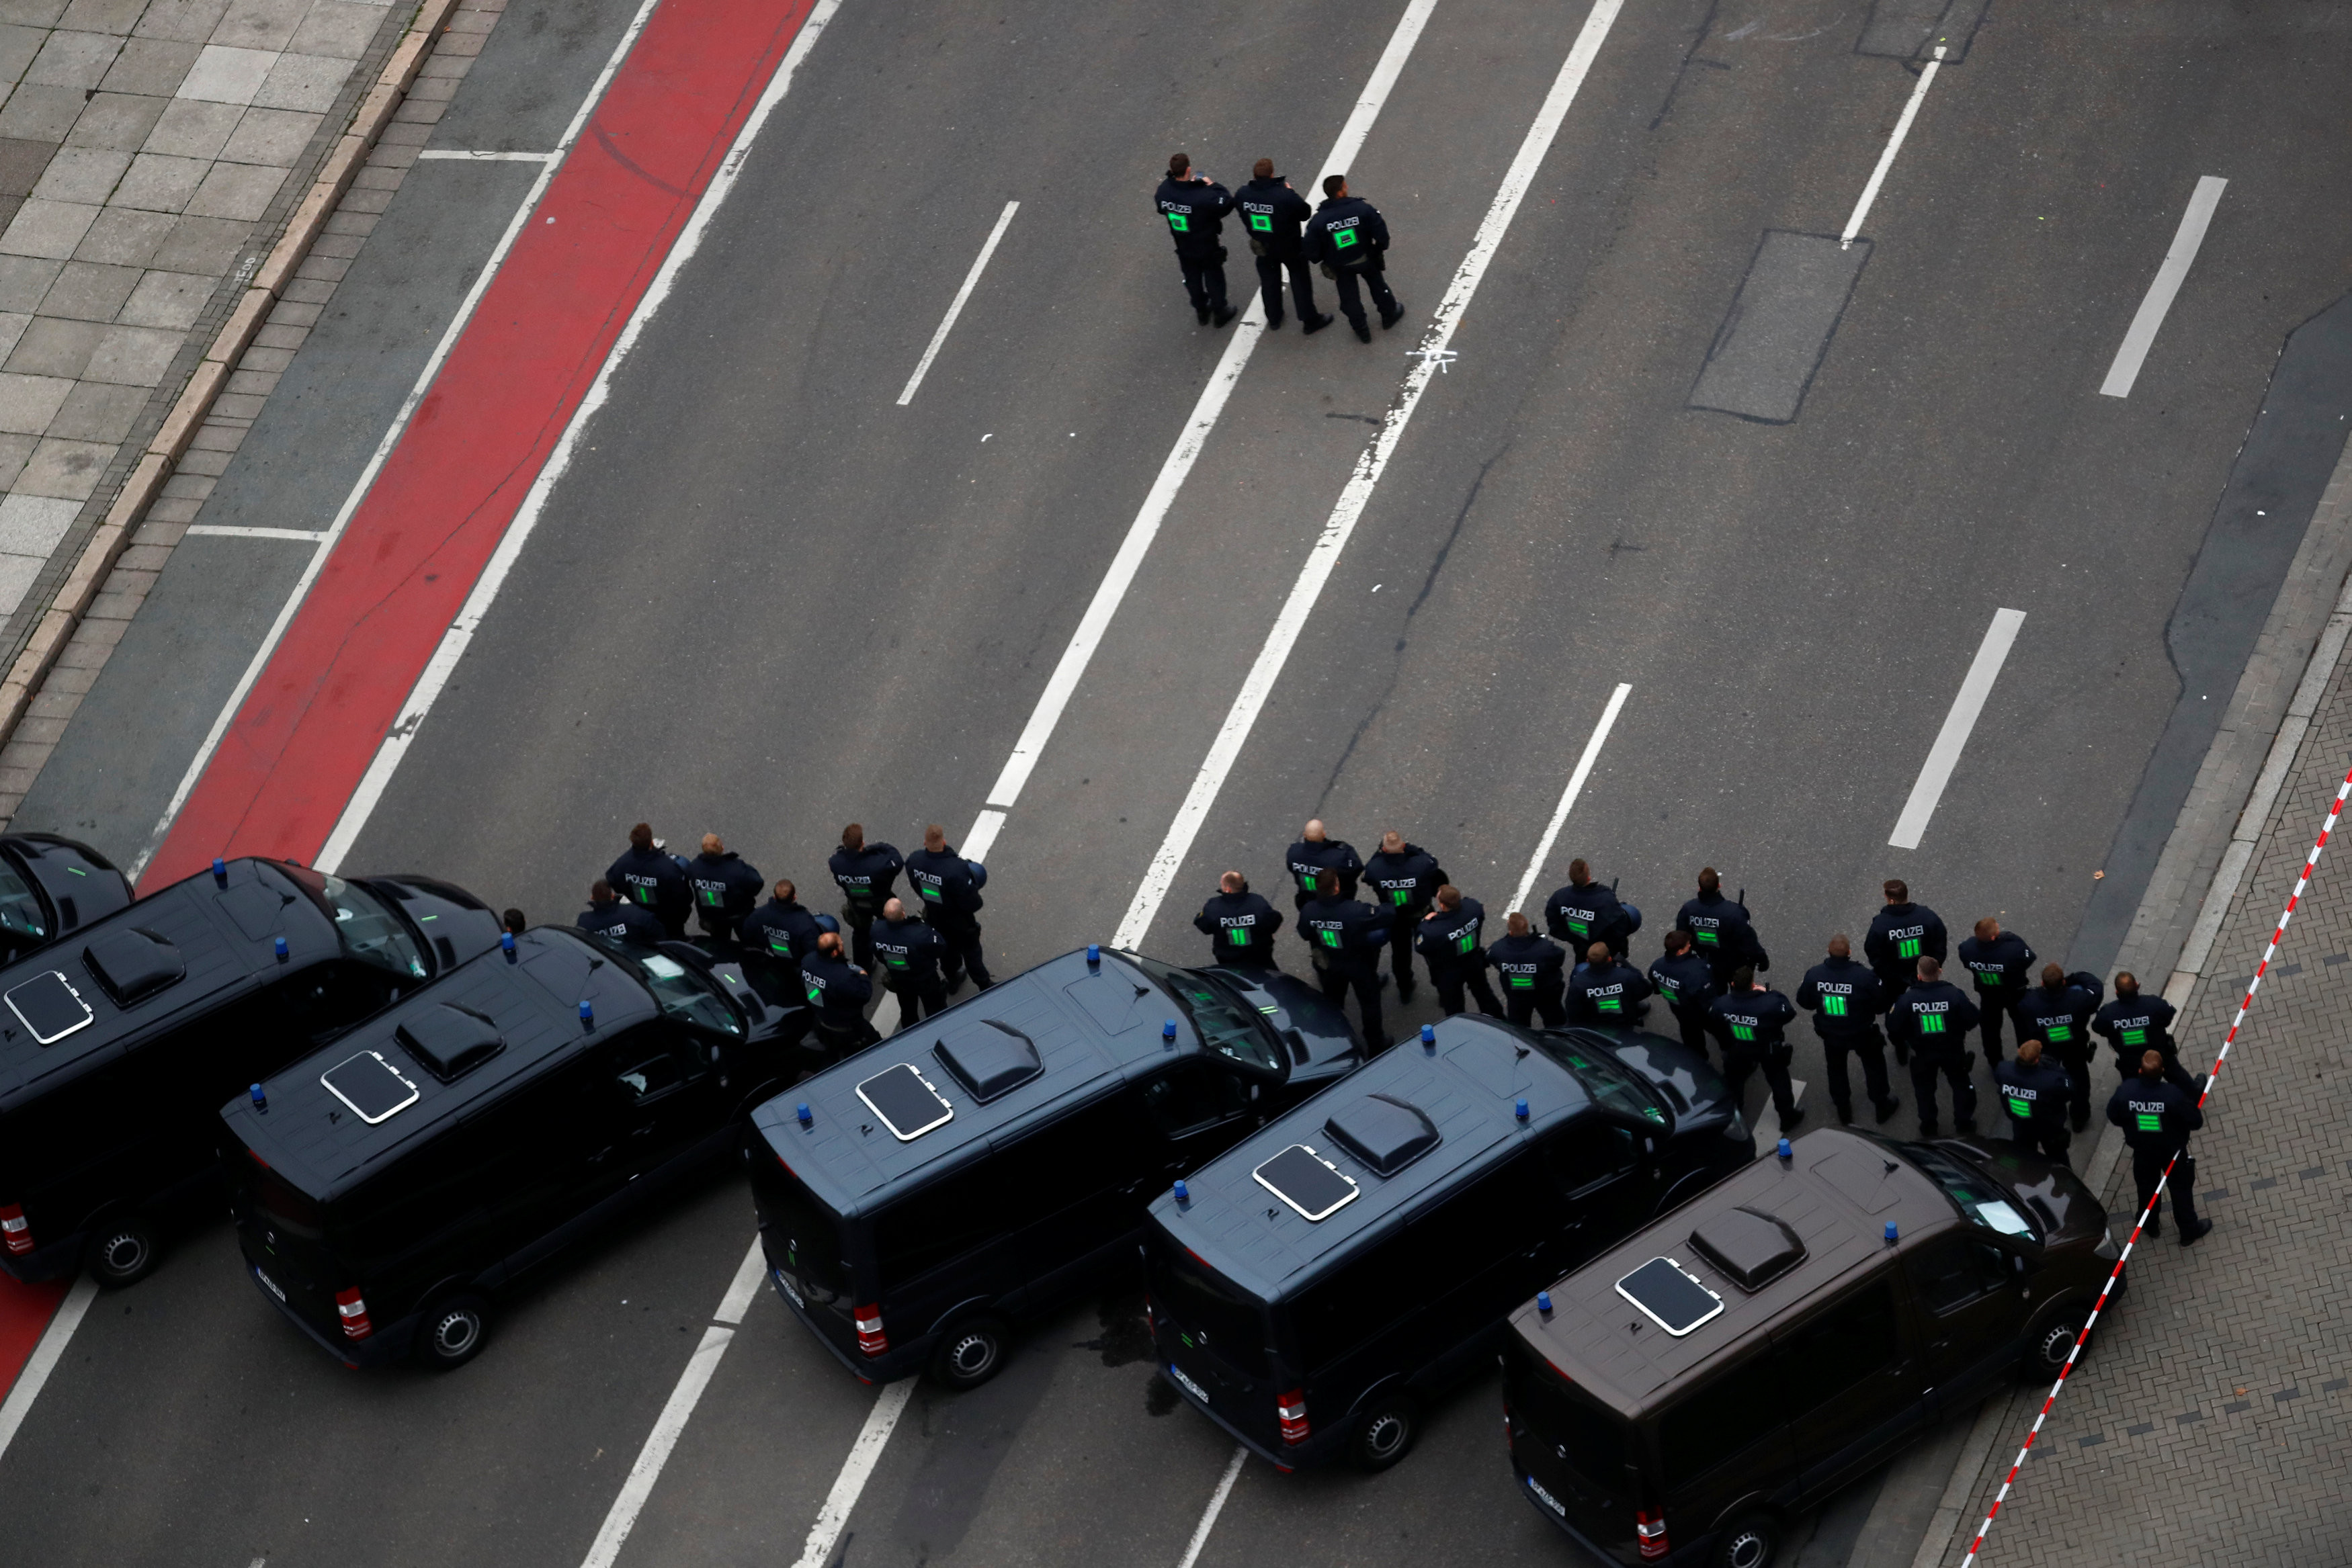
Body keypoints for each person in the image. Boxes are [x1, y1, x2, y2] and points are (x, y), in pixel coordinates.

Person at [2106, 1049, 2210, 1244]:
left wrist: (2132, 1126)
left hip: (2143, 1150)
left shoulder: (2126, 1091)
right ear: (2162, 1070)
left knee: (2146, 1189)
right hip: (2172, 1151)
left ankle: (2150, 1224)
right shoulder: (2172, 1095)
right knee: (2181, 1190)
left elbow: (2113, 1115)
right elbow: (2196, 1121)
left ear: (2139, 1071)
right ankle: (2188, 1230)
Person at [1796, 934, 1900, 1125]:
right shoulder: (1865, 977)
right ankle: (1881, 1105)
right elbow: (1881, 1003)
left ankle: (1843, 1109)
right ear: (1849, 953)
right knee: (1874, 1066)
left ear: (1828, 952)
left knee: (1836, 1069)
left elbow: (1804, 1001)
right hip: (1862, 1032)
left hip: (1832, 1034)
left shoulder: (1814, 975)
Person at [1885, 957, 1981, 1136]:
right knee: (1961, 1086)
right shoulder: (1954, 995)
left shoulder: (1907, 1000)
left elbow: (1893, 1026)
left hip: (1922, 1053)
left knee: (1924, 1090)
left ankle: (1929, 1126)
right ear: (1940, 972)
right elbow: (1973, 1019)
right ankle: (1964, 1123)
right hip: (1952, 1050)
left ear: (1919, 976)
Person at [1234, 158, 1331, 333]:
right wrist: (1292, 192)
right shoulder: (1284, 196)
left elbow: (1241, 212)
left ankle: (1274, 318)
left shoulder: (1243, 194)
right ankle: (1309, 320)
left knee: (1269, 280)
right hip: (1289, 246)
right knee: (1300, 280)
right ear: (1272, 174)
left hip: (1262, 246)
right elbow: (1304, 213)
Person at [1302, 174, 1402, 343]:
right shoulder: (1361, 209)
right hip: (1365, 257)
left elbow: (1311, 248)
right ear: (1340, 193)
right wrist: (1379, 248)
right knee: (1378, 285)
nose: (1347, 188)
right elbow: (1380, 232)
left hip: (1340, 264)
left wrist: (1323, 259)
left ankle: (1362, 330)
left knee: (1349, 297)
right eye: (1345, 186)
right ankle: (1389, 315)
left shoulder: (1319, 221)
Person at [1299, 868, 1391, 1049]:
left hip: (1329, 964)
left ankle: (1336, 1039)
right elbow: (1387, 915)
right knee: (1370, 1002)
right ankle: (1375, 1042)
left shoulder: (1309, 911)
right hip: (1358, 963)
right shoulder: (1354, 910)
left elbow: (1305, 933)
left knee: (1332, 1002)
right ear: (1337, 886)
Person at [1706, 965, 1801, 1131]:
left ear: (1733, 985)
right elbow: (1788, 1013)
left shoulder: (1722, 1004)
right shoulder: (1769, 1003)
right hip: (1768, 1049)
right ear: (1752, 984)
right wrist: (1769, 993)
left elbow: (1714, 1020)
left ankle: (1734, 1113)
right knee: (1779, 1081)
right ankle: (1787, 1117)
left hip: (1738, 1048)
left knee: (1734, 1081)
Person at [1864, 881, 1947, 1059]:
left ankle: (1900, 1044)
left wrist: (1892, 975)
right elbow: (1940, 941)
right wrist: (1934, 965)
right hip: (1924, 973)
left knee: (1895, 1010)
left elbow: (1874, 954)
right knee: (1929, 1008)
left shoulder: (1881, 925)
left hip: (1894, 978)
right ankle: (1929, 1043)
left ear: (1890, 900)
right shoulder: (1927, 917)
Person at [2013, 965, 2101, 1131]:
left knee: (2044, 1081)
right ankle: (2079, 1118)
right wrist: (2074, 977)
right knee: (2080, 1081)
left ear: (2042, 983)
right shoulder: (2079, 1000)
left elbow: (2023, 1022)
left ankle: (2049, 1113)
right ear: (2063, 982)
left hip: (2045, 1047)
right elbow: (2095, 986)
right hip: (2074, 1045)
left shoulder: (2030, 1003)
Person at [905, 824, 991, 992]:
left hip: (934, 917)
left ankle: (953, 980)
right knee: (972, 953)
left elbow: (916, 885)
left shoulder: (914, 861)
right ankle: (984, 985)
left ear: (925, 842)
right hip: (960, 923)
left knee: (947, 953)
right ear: (943, 842)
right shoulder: (957, 869)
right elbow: (973, 903)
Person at [1155, 152, 1236, 327]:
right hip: (1206, 244)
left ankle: (1201, 310)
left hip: (1183, 244)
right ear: (1189, 170)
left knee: (1192, 278)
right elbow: (1227, 203)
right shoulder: (1201, 196)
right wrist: (1212, 185)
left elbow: (1161, 208)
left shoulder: (1164, 191)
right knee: (1213, 276)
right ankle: (1220, 311)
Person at [1363, 830, 1445, 1002]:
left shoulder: (1375, 868)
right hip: (1422, 914)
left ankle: (1405, 989)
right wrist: (1410, 848)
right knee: (1433, 952)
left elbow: (1368, 875)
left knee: (1400, 955)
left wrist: (1380, 853)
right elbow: (1433, 863)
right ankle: (1443, 990)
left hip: (1394, 917)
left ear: (1384, 850)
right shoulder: (1421, 863)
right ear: (1402, 846)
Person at [1955, 916, 2035, 1068]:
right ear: (1994, 936)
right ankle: (2027, 1058)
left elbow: (1967, 963)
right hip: (2015, 994)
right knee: (2023, 1026)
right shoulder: (2012, 949)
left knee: (1990, 1029)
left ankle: (1995, 1061)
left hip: (1988, 995)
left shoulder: (1967, 949)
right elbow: (2029, 958)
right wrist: (2009, 937)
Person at [1415, 885, 1503, 1020]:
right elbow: (1477, 909)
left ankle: (1460, 1029)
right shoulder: (1474, 908)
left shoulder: (1433, 931)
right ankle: (1500, 1021)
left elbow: (1420, 947)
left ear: (1443, 906)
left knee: (1453, 1006)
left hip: (1449, 971)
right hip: (1474, 961)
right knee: (1484, 994)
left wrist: (1425, 922)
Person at [828, 824, 903, 970]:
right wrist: (879, 846)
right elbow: (897, 861)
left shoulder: (836, 862)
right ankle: (897, 958)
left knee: (861, 934)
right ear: (862, 843)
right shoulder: (876, 865)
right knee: (894, 928)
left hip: (857, 903)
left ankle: (864, 967)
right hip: (880, 901)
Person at [1676, 868, 1767, 987]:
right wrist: (1762, 959)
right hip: (1734, 963)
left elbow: (1681, 937)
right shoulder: (1735, 914)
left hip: (1706, 960)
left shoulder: (1688, 910)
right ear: (1719, 885)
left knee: (1716, 991)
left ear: (1699, 888)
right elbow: (1749, 942)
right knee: (1739, 994)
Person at [737, 879, 820, 1008]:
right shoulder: (804, 922)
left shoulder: (759, 915)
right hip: (796, 967)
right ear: (794, 897)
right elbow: (813, 952)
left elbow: (747, 934)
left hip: (770, 962)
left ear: (775, 897)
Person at [869, 898, 949, 1031]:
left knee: (908, 1010)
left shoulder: (876, 930)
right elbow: (940, 946)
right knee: (934, 1008)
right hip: (924, 979)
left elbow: (877, 952)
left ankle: (910, 1034)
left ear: (884, 915)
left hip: (899, 979)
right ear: (903, 913)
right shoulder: (919, 933)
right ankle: (938, 1030)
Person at [2093, 973, 2188, 1084]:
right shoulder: (2154, 1004)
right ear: (2137, 985)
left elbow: (2098, 1028)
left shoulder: (2108, 1014)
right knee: (2180, 1079)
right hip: (2159, 1054)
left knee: (2132, 1089)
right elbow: (2168, 1015)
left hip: (2129, 1060)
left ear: (2117, 992)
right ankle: (2194, 1093)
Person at [799, 931, 877, 1059]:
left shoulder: (808, 961)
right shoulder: (842, 978)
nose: (843, 946)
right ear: (835, 953)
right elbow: (864, 994)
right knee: (875, 1044)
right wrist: (863, 975)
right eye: (840, 944)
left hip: (823, 1020)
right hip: (847, 1027)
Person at [607, 822, 689, 938]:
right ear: (651, 842)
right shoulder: (668, 868)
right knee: (676, 940)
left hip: (639, 915)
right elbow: (682, 896)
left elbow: (613, 881)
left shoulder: (622, 865)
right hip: (666, 917)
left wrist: (631, 891)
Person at [1994, 1038, 2072, 1160]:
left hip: (2021, 1123)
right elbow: (2069, 1088)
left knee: (2025, 1160)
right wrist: (2054, 1068)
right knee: (2058, 1159)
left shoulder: (2003, 1069)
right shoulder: (2050, 1081)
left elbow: (1999, 1080)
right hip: (2048, 1127)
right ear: (2037, 1059)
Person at [1544, 859, 1636, 959]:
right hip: (1607, 949)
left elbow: (1554, 925)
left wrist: (1574, 938)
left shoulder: (1559, 898)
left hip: (1582, 947)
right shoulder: (1605, 899)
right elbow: (1620, 928)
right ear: (1589, 877)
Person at [1486, 912, 1565, 1027]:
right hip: (1545, 994)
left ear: (1510, 931)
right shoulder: (1545, 948)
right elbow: (1559, 958)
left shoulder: (1498, 949)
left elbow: (1491, 959)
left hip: (1517, 997)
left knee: (1519, 1029)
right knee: (1556, 1023)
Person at [1648, 929, 1718, 1056]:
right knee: (1718, 1029)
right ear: (1680, 951)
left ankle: (1698, 1061)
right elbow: (1706, 999)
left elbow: (1656, 988)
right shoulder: (1696, 970)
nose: (1690, 945)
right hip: (1698, 1011)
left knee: (1691, 1039)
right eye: (1687, 945)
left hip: (1678, 1008)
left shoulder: (1657, 966)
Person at [682, 833, 762, 943]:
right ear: (722, 848)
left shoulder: (695, 867)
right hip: (738, 915)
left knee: (720, 944)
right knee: (750, 942)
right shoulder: (736, 868)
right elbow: (757, 882)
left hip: (713, 916)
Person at [1194, 871, 1284, 967]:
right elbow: (1275, 921)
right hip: (1260, 954)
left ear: (1228, 889)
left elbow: (1203, 926)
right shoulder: (1257, 903)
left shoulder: (1214, 908)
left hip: (1228, 957)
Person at [1283, 819, 1363, 910]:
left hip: (1308, 902)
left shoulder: (1293, 853)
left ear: (1305, 835)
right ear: (1324, 835)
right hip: (1337, 903)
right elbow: (1356, 868)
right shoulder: (1339, 857)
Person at [1566, 942, 1652, 1026]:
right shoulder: (1626, 976)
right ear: (1610, 959)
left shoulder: (1578, 983)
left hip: (1595, 1024)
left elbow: (1573, 1011)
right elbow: (1646, 990)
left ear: (1588, 961)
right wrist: (1626, 965)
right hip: (1625, 1019)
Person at [577, 879, 662, 946]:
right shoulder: (634, 913)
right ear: (612, 896)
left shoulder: (584, 922)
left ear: (592, 898)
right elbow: (658, 933)